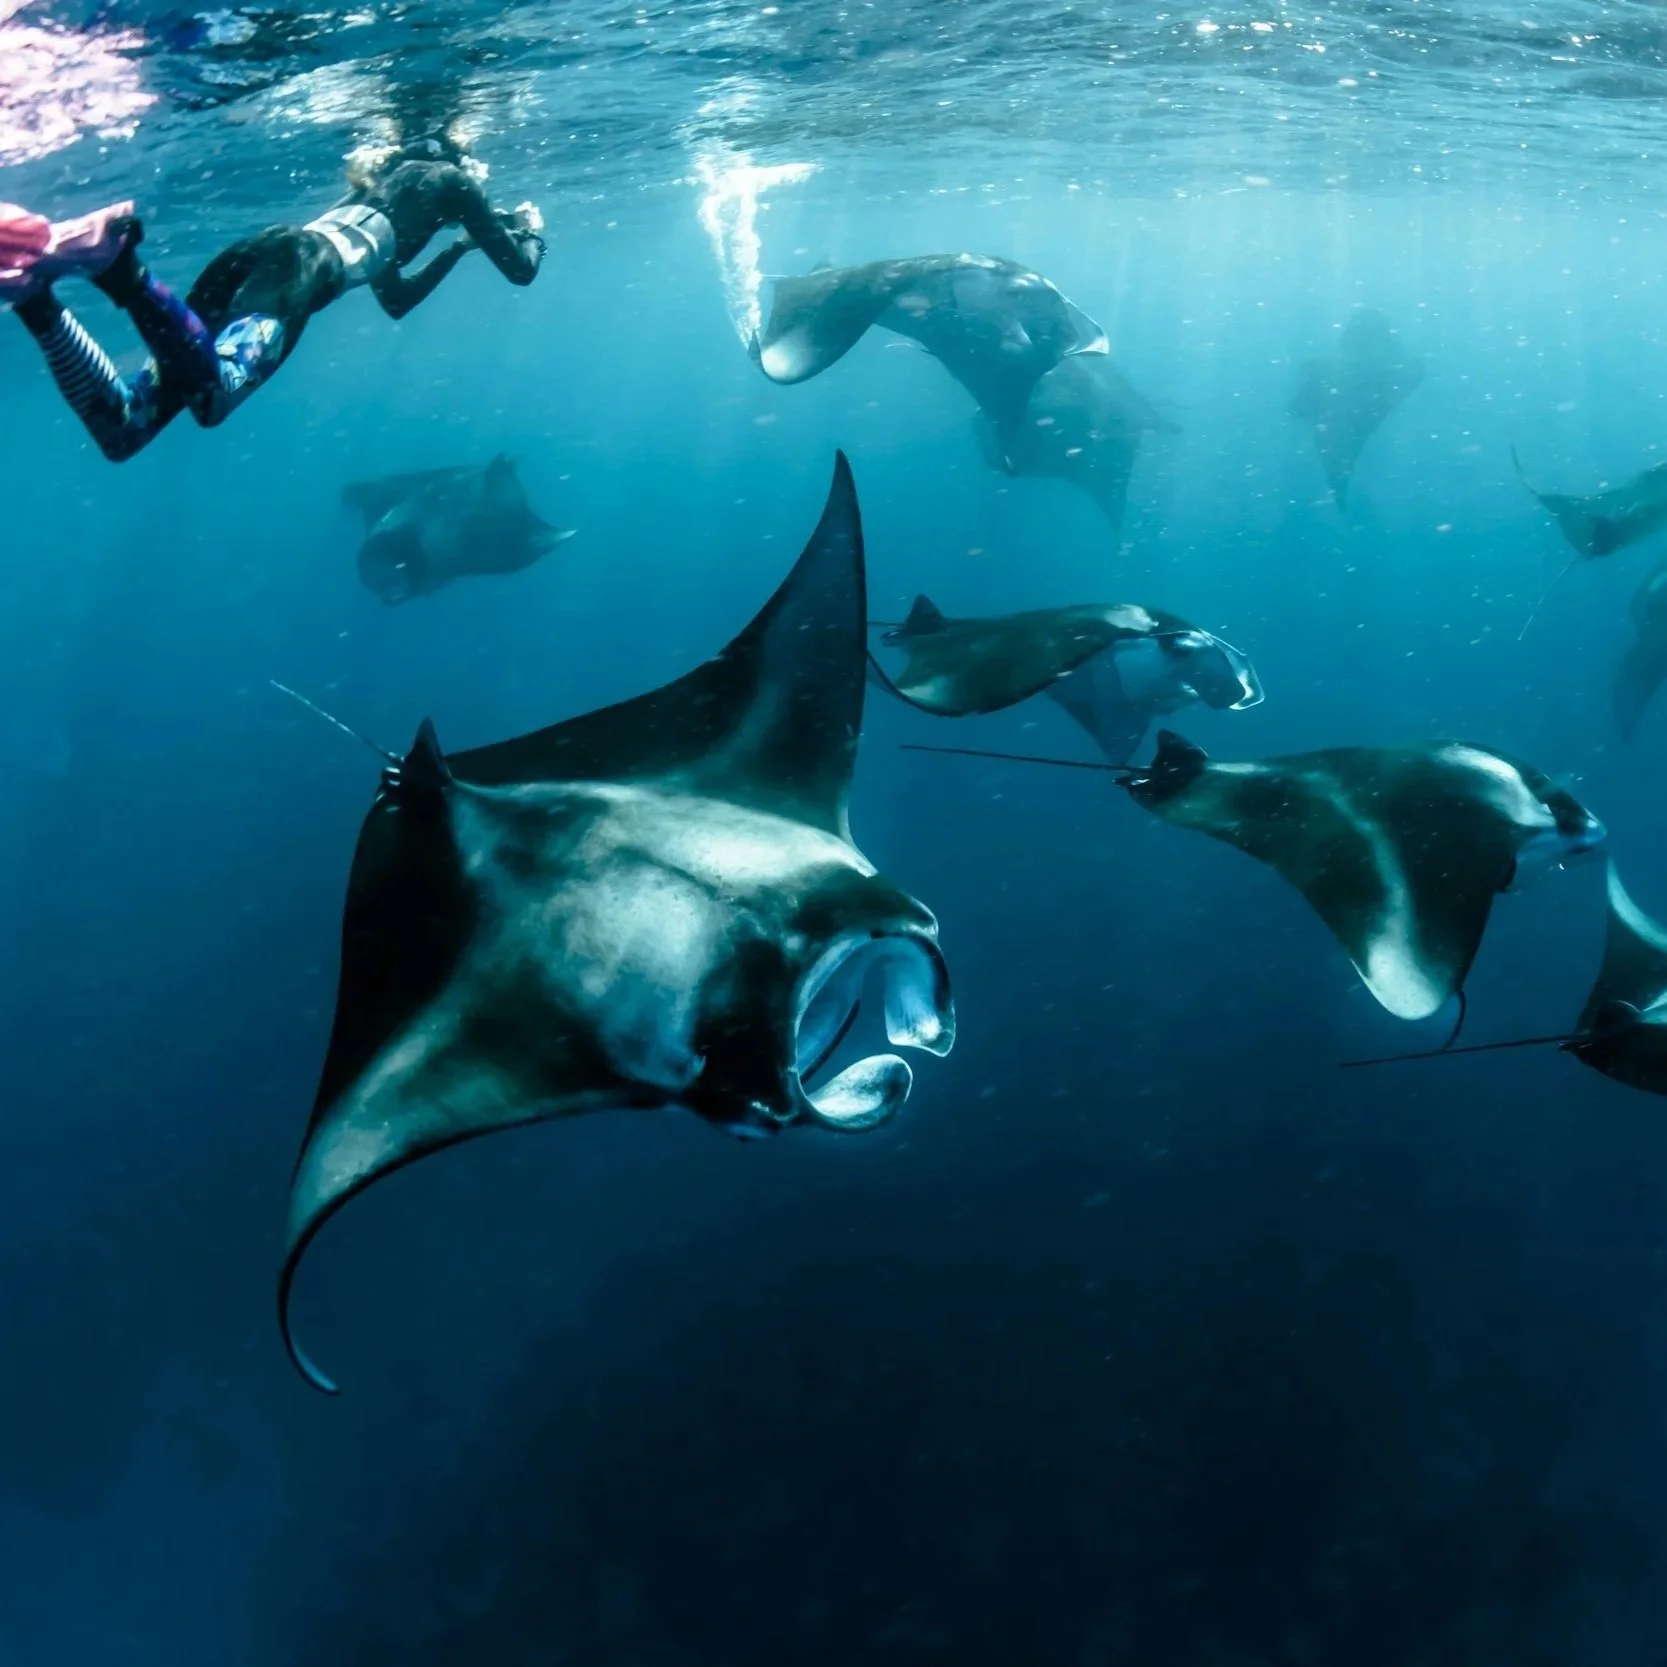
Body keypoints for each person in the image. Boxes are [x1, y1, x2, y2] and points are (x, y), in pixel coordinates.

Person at [0, 134, 545, 461]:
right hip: (297, 274)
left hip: (264, 250)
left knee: (127, 430)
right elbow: (521, 273)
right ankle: (119, 267)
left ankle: (33, 296)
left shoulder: (381, 186)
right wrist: (531, 231)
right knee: (213, 400)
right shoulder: (454, 182)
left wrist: (458, 250)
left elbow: (395, 299)